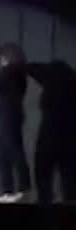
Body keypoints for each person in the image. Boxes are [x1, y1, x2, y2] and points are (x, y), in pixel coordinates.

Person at [25, 59, 76, 203]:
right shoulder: (71, 84)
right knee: (69, 176)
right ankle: (69, 205)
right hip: (70, 136)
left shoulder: (52, 81)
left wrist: (20, 65)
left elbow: (35, 70)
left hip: (50, 133)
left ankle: (45, 203)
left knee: (43, 172)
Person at [0, 43, 31, 203]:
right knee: (2, 153)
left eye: (4, 57)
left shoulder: (12, 71)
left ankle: (22, 189)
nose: (2, 60)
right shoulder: (17, 73)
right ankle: (8, 191)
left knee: (14, 151)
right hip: (9, 115)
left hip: (9, 116)